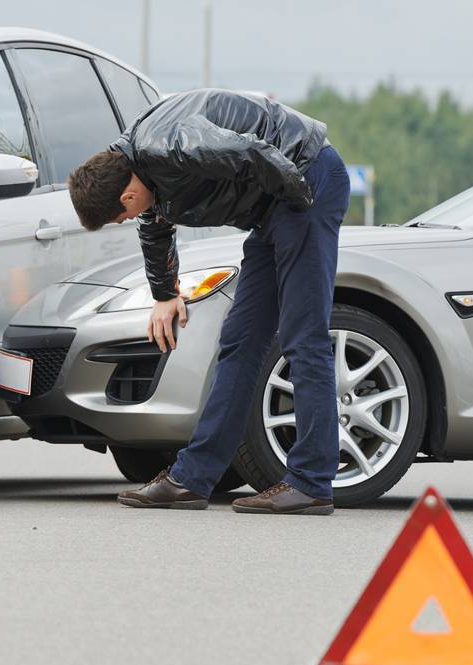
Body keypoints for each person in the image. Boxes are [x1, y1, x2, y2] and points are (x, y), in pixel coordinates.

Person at [68, 89, 350, 515]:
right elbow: (156, 225)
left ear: (125, 196)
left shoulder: (173, 145)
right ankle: (192, 479)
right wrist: (164, 294)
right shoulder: (138, 164)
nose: (127, 220)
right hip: (275, 207)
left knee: (302, 334)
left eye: (119, 217)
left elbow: (254, 152)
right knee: (239, 339)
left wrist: (299, 208)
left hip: (305, 183)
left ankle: (311, 482)